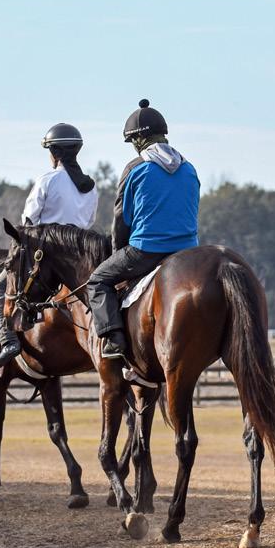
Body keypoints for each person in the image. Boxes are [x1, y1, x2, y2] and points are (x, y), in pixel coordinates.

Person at [86, 99, 200, 360]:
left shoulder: (135, 168)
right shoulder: (189, 168)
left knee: (97, 280)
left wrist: (118, 252)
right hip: (188, 251)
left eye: (133, 142)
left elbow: (121, 219)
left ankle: (113, 339)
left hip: (146, 250)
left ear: (139, 139)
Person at [0, 123, 98, 368]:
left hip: (46, 255)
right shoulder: (90, 186)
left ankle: (9, 340)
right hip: (80, 256)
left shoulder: (47, 180)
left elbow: (28, 223)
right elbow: (89, 221)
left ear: (54, 152)